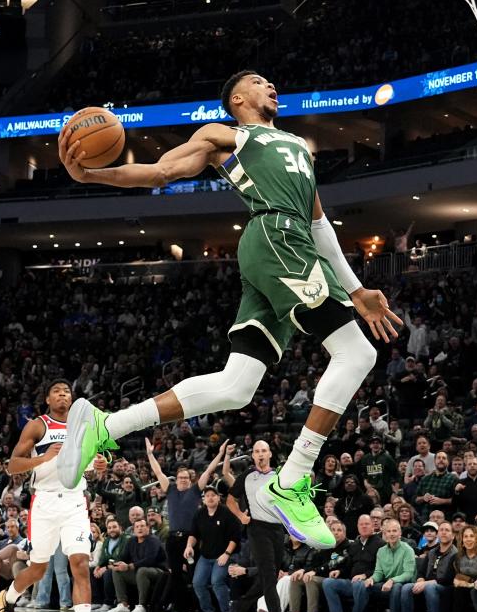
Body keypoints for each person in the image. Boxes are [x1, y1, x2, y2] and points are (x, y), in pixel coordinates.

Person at [54, 69, 402, 550]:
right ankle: (293, 478)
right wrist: (91, 175)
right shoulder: (227, 135)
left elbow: (321, 226)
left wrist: (358, 290)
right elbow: (160, 172)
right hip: (276, 239)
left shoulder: (299, 146)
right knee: (356, 354)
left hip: (293, 242)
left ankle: (105, 424)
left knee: (237, 387)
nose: (272, 86)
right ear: (238, 98)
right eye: (259, 82)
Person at [0, 380, 105, 612]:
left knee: (80, 563)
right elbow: (12, 465)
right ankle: (8, 598)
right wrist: (41, 459)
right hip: (43, 502)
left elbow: (89, 467)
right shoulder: (37, 426)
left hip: (75, 502)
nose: (62, 395)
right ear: (47, 399)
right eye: (57, 392)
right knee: (38, 570)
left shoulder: (83, 429)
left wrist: (99, 466)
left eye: (67, 392)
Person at [226, 440, 298, 612]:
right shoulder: (247, 476)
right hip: (257, 529)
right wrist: (241, 516)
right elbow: (230, 500)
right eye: (257, 451)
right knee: (268, 578)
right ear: (253, 455)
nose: (260, 454)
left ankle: (239, 606)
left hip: (277, 530)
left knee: (270, 577)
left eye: (263, 451)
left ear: (270, 454)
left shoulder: (279, 476)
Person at [150, 436, 225, 612]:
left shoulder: (195, 490)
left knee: (193, 576)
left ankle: (198, 608)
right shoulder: (171, 489)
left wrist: (221, 453)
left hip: (190, 540)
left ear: (190, 480)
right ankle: (180, 610)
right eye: (180, 477)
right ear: (176, 479)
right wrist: (149, 454)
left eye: (186, 477)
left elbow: (208, 471)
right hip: (173, 539)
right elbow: (158, 472)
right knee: (175, 576)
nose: (183, 480)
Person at [349, 518, 417, 612]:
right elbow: (379, 573)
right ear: (384, 534)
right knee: (362, 586)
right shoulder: (381, 551)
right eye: (389, 531)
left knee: (396, 587)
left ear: (400, 533)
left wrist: (392, 580)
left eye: (394, 531)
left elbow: (409, 573)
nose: (392, 534)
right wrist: (371, 579)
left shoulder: (407, 550)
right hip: (385, 583)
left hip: (403, 583)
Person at [394, 521, 457, 612]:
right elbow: (422, 571)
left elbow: (448, 578)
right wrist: (420, 579)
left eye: (447, 530)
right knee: (406, 587)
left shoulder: (455, 553)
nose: (443, 532)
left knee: (429, 587)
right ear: (438, 535)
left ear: (453, 535)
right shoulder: (432, 552)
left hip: (446, 587)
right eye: (441, 530)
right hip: (428, 584)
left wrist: (426, 583)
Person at [185, 486, 240, 612]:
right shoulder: (199, 514)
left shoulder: (226, 513)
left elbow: (235, 537)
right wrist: (189, 546)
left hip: (222, 555)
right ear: (203, 499)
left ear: (218, 497)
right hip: (205, 556)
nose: (210, 497)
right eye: (207, 495)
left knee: (217, 582)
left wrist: (226, 554)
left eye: (213, 495)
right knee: (197, 583)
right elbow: (193, 534)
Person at [321, 514, 383, 612]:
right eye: (361, 524)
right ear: (357, 527)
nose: (364, 526)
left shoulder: (380, 544)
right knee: (328, 583)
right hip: (351, 582)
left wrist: (365, 575)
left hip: (370, 582)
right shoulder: (354, 545)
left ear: (373, 527)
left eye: (367, 524)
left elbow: (381, 569)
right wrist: (340, 571)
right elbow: (348, 566)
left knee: (359, 585)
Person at [108, 518, 168, 612]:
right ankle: (123, 605)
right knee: (117, 571)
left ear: (148, 528)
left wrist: (130, 566)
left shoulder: (153, 540)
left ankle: (142, 606)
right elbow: (123, 557)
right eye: (137, 527)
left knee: (142, 570)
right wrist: (116, 564)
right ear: (134, 530)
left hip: (159, 572)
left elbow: (150, 560)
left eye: (142, 526)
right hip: (139, 572)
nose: (139, 529)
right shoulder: (132, 541)